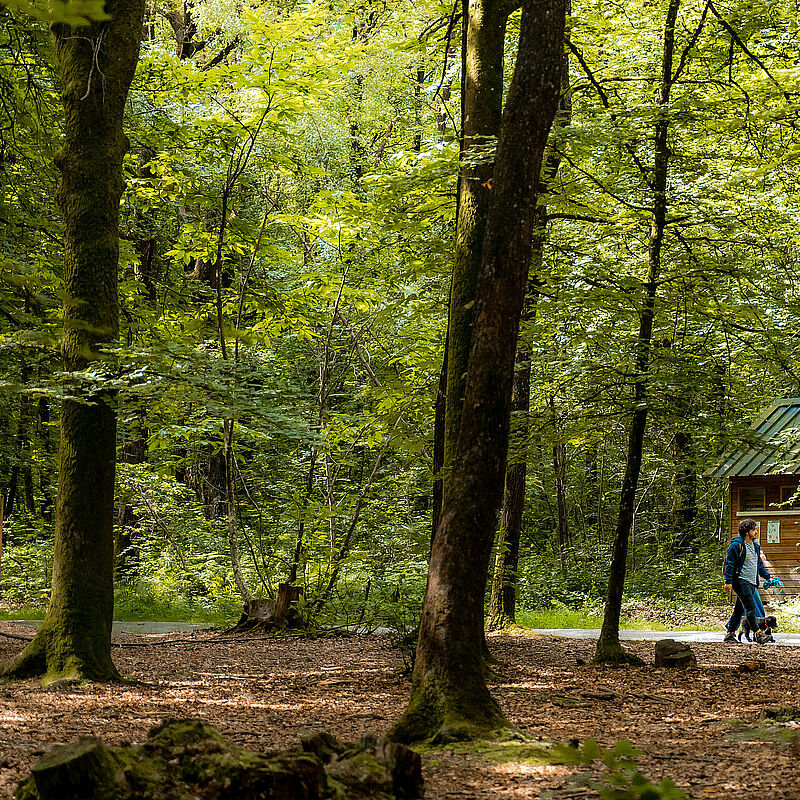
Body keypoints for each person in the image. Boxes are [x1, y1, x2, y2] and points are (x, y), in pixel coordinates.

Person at [723, 518, 772, 644]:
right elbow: (730, 564)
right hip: (740, 581)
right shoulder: (736, 546)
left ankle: (730, 635)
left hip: (751, 582)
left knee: (739, 610)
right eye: (754, 529)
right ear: (747, 532)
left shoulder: (755, 546)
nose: (756, 532)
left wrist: (768, 577)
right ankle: (758, 634)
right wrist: (728, 581)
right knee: (751, 608)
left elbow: (759, 565)